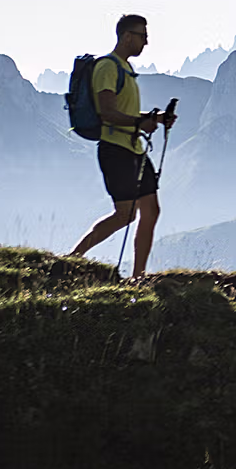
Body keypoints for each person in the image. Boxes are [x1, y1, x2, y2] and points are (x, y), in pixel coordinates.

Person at [69, 14, 176, 279]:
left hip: (134, 149)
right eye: (143, 36)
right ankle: (72, 259)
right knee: (125, 214)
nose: (146, 42)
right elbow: (107, 113)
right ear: (127, 36)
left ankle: (138, 277)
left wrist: (157, 119)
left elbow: (123, 111)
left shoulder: (125, 69)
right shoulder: (108, 67)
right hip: (116, 149)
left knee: (150, 211)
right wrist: (141, 122)